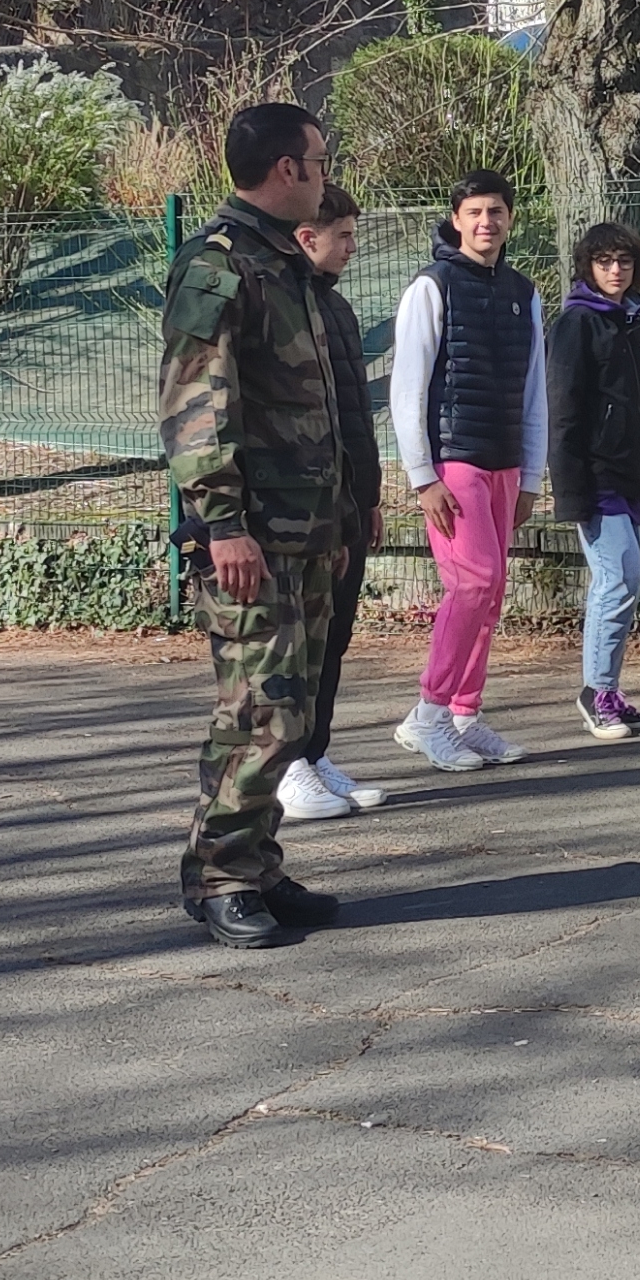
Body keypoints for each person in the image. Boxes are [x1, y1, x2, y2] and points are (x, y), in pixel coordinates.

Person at [157, 103, 355, 949]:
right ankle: (221, 877)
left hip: (305, 527)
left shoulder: (286, 265)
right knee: (258, 712)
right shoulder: (219, 267)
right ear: (285, 169)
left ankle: (260, 866)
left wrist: (341, 514)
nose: (323, 172)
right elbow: (197, 407)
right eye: (316, 159)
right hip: (253, 535)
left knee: (295, 712)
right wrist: (223, 524)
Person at [384, 169, 550, 773]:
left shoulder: (523, 292)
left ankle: (463, 714)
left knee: (492, 591)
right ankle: (426, 716)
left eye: (497, 212)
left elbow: (535, 389)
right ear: (456, 219)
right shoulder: (431, 288)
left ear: (510, 219)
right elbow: (408, 390)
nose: (487, 222)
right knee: (473, 584)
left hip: (506, 463)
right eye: (475, 212)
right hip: (453, 462)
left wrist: (531, 475)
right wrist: (422, 477)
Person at [277, 178, 391, 824]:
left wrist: (368, 498)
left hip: (346, 502)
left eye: (353, 233)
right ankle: (289, 764)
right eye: (342, 235)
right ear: (306, 237)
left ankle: (315, 755)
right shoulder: (295, 307)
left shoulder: (338, 308)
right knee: (300, 644)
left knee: (335, 636)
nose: (352, 247)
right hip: (303, 509)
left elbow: (355, 416)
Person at [547, 220, 640, 742]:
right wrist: (572, 490)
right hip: (597, 478)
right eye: (605, 262)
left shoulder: (637, 322)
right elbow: (565, 411)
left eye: (624, 262)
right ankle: (596, 692)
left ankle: (610, 688)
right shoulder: (577, 324)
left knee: (627, 581)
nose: (616, 271)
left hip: (633, 475)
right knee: (617, 581)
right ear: (587, 267)